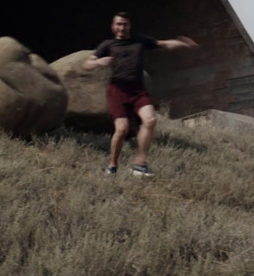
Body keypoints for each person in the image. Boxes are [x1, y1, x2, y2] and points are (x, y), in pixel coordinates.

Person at [84, 12, 198, 177]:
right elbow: (86, 65)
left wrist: (182, 43)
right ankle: (112, 165)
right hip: (118, 91)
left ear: (129, 26)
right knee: (122, 129)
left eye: (125, 24)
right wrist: (97, 62)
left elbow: (164, 44)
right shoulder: (107, 45)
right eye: (119, 24)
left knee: (150, 120)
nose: (122, 27)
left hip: (138, 90)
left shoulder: (139, 40)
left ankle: (140, 164)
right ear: (113, 26)